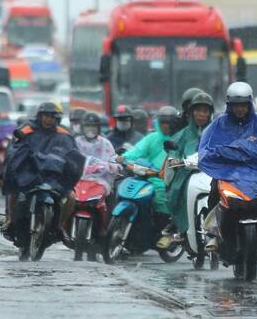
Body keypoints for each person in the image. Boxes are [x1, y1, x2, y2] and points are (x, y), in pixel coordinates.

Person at [198, 82, 257, 253]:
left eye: (243, 105)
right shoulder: (218, 124)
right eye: (235, 105)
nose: (239, 109)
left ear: (249, 104)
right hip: (228, 171)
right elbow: (206, 147)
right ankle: (213, 232)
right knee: (214, 189)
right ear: (229, 105)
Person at [0, 102, 84, 257]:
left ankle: (59, 226)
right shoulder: (27, 129)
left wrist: (71, 168)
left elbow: (73, 156)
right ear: (39, 116)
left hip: (53, 177)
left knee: (72, 197)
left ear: (57, 119)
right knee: (13, 189)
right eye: (45, 115)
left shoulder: (65, 135)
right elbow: (14, 150)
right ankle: (10, 219)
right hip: (29, 174)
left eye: (52, 116)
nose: (48, 119)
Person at [117, 106, 180, 247]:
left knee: (160, 197)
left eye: (169, 123)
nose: (165, 126)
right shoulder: (152, 138)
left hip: (168, 181)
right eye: (163, 122)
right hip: (147, 176)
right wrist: (123, 158)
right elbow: (137, 151)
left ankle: (162, 231)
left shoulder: (180, 139)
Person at [165, 92, 215, 241]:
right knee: (176, 190)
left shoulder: (216, 132)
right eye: (198, 110)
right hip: (187, 172)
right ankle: (179, 224)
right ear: (192, 112)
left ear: (210, 113)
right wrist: (174, 159)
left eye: (205, 111)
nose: (201, 114)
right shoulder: (184, 134)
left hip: (213, 172)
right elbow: (174, 149)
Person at [74, 112, 121, 193]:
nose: (90, 129)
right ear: (82, 127)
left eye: (93, 127)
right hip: (78, 181)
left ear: (98, 128)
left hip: (101, 182)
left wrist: (112, 167)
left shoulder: (105, 143)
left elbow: (113, 162)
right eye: (87, 126)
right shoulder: (76, 142)